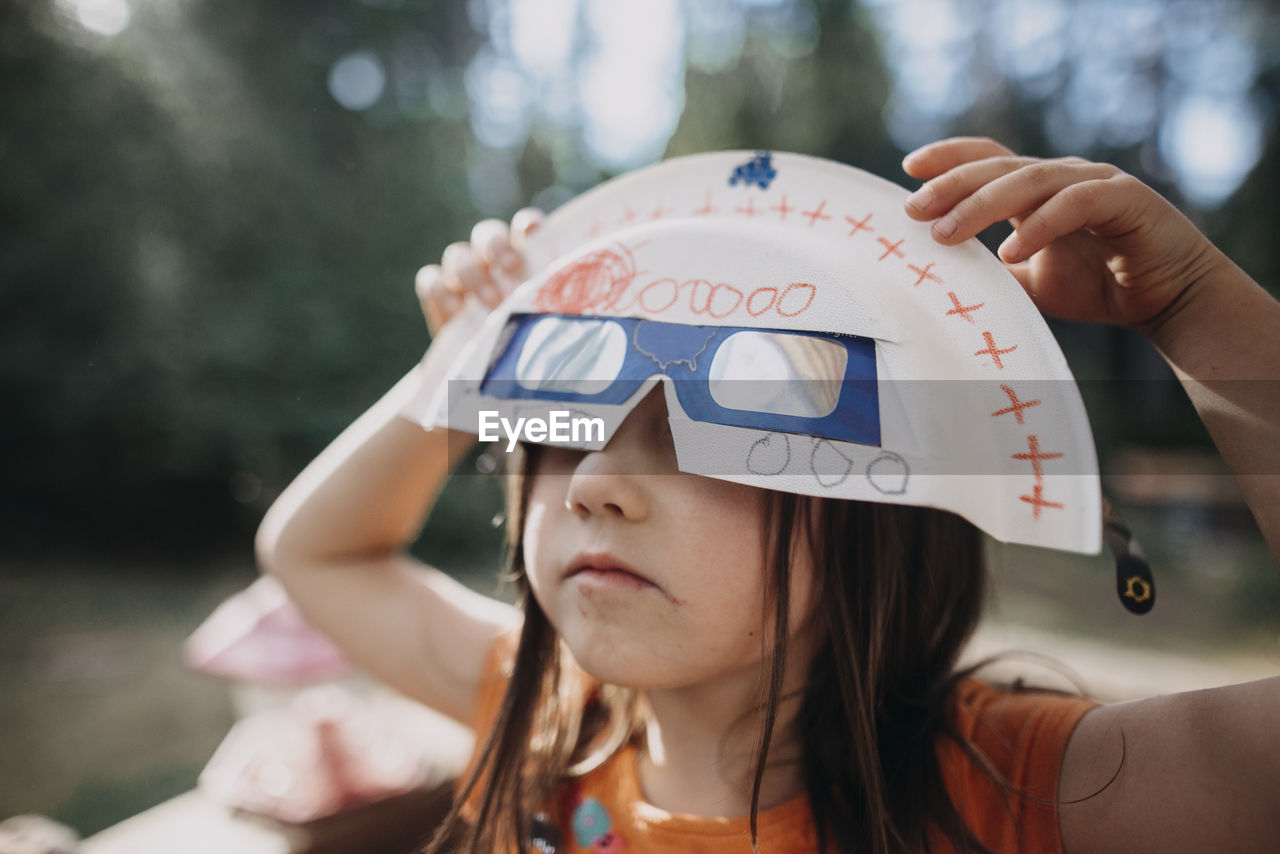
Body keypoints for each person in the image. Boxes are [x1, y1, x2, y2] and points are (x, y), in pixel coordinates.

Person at [255, 138, 1280, 853]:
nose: (601, 483)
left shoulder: (1013, 788)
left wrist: (1190, 302)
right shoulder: (560, 726)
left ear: (883, 505)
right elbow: (313, 552)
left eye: (717, 430)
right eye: (568, 415)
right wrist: (467, 354)